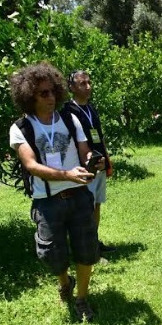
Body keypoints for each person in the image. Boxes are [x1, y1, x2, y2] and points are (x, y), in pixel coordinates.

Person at [8, 62, 103, 322]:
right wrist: (66, 174)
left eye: (52, 91)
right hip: (47, 200)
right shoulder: (21, 128)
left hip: (79, 195)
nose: (50, 97)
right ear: (29, 96)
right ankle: (65, 281)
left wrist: (93, 160)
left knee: (86, 249)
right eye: (43, 93)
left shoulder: (70, 120)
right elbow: (31, 165)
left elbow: (85, 150)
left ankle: (82, 298)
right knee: (51, 255)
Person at [64, 70, 115, 255]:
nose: (88, 87)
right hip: (86, 169)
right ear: (71, 87)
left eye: (89, 82)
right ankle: (87, 249)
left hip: (100, 165)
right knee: (85, 209)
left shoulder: (91, 108)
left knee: (96, 205)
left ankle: (94, 242)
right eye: (82, 83)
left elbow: (99, 137)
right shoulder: (69, 111)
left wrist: (108, 163)